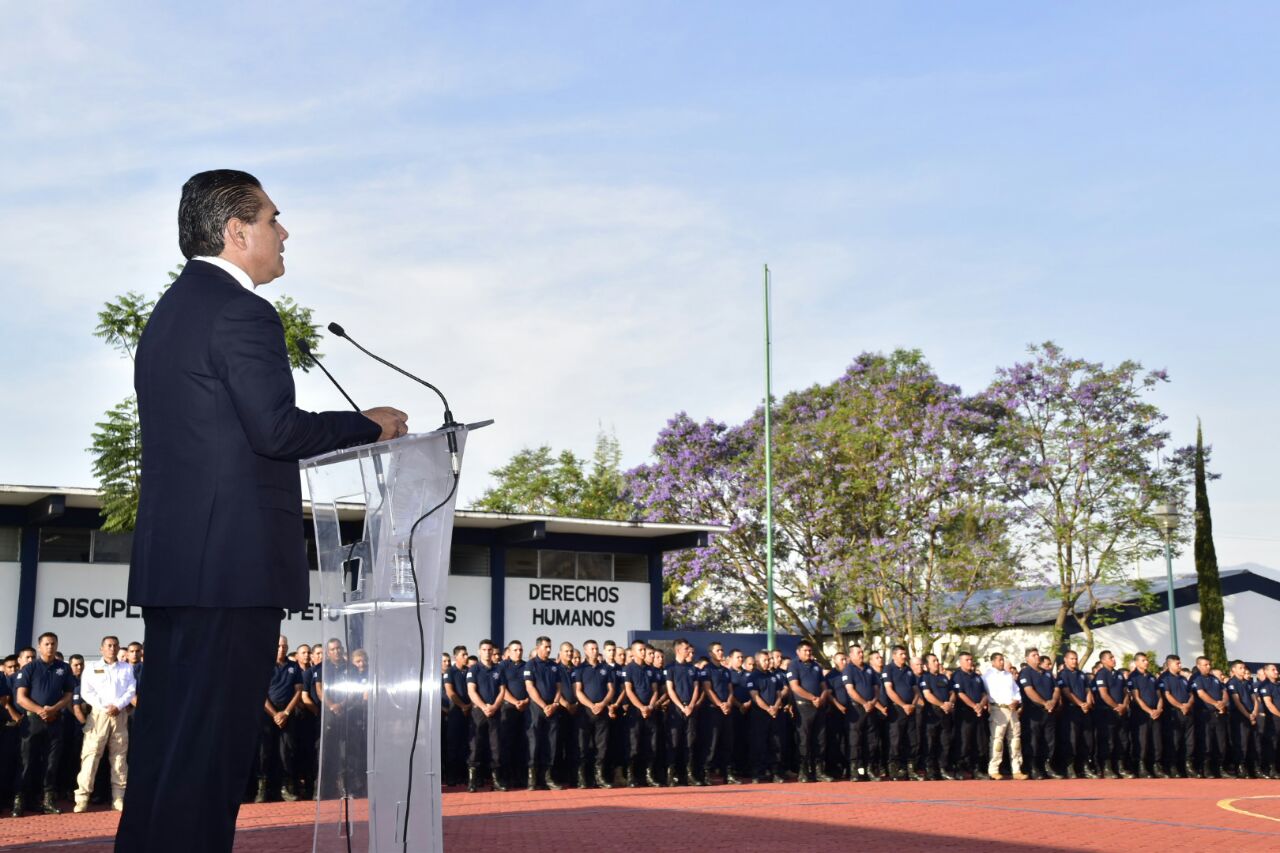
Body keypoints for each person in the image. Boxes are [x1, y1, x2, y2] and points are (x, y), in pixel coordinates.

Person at [117, 169, 405, 853]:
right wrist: (369, 425)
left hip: (178, 570)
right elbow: (274, 430)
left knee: (167, 752)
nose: (285, 232)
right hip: (231, 572)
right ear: (236, 232)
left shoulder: (168, 315)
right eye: (274, 218)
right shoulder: (243, 311)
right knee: (209, 760)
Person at [12, 632, 75, 816]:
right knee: (26, 761)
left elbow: (68, 695)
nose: (50, 647)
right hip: (32, 721)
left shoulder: (64, 668)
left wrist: (54, 709)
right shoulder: (29, 668)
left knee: (51, 762)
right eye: (46, 644)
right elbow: (21, 698)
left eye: (53, 644)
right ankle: (20, 801)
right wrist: (41, 710)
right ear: (39, 646)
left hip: (55, 721)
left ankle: (47, 800)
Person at [74, 636, 136, 812]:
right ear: (101, 649)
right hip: (99, 715)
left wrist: (118, 705)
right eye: (109, 645)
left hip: (120, 715)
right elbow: (87, 692)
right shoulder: (92, 667)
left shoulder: (126, 668)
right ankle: (82, 798)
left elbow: (131, 689)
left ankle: (118, 798)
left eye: (115, 645)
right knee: (91, 756)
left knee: (119, 757)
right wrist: (104, 706)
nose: (112, 648)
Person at [256, 635, 303, 803]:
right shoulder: (263, 666)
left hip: (287, 715)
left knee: (286, 752)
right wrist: (275, 714)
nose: (281, 649)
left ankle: (285, 788)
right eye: (278, 646)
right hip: (267, 715)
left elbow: (298, 691)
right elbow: (259, 693)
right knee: (264, 752)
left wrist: (286, 713)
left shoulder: (294, 666)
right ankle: (262, 789)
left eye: (284, 646)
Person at [465, 639, 507, 792]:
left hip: (494, 712)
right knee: (475, 746)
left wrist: (495, 706)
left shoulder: (499, 669)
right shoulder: (473, 669)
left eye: (490, 650)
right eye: (484, 649)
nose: (487, 652)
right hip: (478, 712)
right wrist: (484, 707)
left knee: (496, 747)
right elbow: (471, 691)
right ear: (479, 651)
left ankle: (496, 781)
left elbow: (502, 690)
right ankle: (472, 781)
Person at [786, 640, 831, 783]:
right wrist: (812, 698)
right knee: (804, 740)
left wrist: (821, 697)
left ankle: (819, 771)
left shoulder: (816, 666)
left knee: (820, 739)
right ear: (798, 652)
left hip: (819, 706)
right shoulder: (793, 665)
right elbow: (794, 687)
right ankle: (803, 771)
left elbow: (824, 686)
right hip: (803, 706)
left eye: (810, 651)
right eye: (805, 650)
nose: (808, 653)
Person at [574, 639, 615, 789]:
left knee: (601, 746)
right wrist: (591, 705)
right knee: (583, 746)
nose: (594, 651)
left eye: (596, 648)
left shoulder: (606, 669)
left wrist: (602, 704)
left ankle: (599, 777)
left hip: (602, 711)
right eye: (591, 648)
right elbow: (578, 691)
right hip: (585, 712)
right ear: (585, 651)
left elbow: (611, 689)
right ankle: (583, 778)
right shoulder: (579, 669)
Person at [525, 636, 564, 790]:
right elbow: (530, 687)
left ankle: (547, 777)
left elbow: (559, 687)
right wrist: (543, 705)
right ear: (538, 647)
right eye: (546, 646)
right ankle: (532, 779)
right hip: (536, 709)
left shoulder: (554, 666)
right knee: (534, 742)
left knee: (551, 743)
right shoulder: (530, 664)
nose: (548, 649)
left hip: (552, 709)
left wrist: (554, 704)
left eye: (550, 646)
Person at [981, 653, 1027, 781]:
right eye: (999, 660)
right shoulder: (987, 676)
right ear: (993, 662)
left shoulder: (1008, 675)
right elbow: (985, 693)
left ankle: (1017, 769)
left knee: (1015, 740)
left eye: (1003, 660)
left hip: (1011, 709)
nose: (1002, 662)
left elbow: (1016, 691)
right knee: (997, 740)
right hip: (998, 709)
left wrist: (1016, 701)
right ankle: (994, 769)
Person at [662, 639, 700, 787]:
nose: (688, 651)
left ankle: (688, 776)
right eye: (685, 649)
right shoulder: (670, 668)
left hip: (690, 709)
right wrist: (681, 706)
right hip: (676, 710)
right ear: (678, 650)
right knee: (674, 742)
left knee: (689, 743)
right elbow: (670, 689)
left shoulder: (692, 669)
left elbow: (696, 688)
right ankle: (671, 776)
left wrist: (690, 705)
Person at [1017, 648, 1060, 779]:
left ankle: (1047, 766)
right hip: (1033, 713)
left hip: (1049, 712)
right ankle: (1033, 767)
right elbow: (1029, 691)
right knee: (1033, 740)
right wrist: (1044, 703)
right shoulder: (1025, 673)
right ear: (1027, 658)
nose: (1037, 657)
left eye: (1038, 654)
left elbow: (1056, 688)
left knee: (1049, 740)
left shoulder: (1047, 673)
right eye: (1033, 655)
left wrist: (1052, 701)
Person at [622, 640, 659, 787]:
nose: (643, 652)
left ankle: (648, 776)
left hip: (650, 711)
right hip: (635, 712)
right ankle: (632, 777)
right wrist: (641, 707)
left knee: (651, 745)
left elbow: (655, 690)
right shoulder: (629, 668)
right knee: (634, 745)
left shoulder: (650, 670)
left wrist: (650, 706)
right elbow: (629, 690)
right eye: (640, 650)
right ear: (634, 652)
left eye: (645, 650)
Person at [699, 642, 736, 784]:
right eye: (718, 650)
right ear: (711, 653)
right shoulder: (706, 669)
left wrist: (727, 703)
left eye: (722, 650)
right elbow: (707, 689)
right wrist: (720, 704)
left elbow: (730, 690)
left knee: (728, 743)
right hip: (712, 710)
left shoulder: (726, 671)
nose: (721, 653)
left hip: (727, 710)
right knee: (711, 743)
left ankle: (728, 773)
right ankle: (706, 773)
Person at [881, 646, 920, 781]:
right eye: (902, 654)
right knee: (895, 740)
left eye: (905, 654)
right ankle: (894, 770)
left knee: (912, 740)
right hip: (897, 710)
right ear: (894, 655)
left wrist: (912, 705)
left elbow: (916, 691)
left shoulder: (909, 670)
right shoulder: (888, 669)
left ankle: (910, 769)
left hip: (910, 709)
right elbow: (889, 690)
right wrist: (903, 705)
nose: (904, 656)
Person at [1056, 650, 1096, 779]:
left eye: (1076, 658)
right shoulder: (1063, 674)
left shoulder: (1082, 674)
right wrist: (1080, 704)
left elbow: (1088, 690)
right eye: (1072, 659)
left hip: (1084, 711)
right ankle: (1070, 766)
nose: (1074, 661)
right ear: (1066, 660)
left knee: (1086, 739)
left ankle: (1084, 766)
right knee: (1071, 740)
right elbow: (1067, 692)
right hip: (1070, 711)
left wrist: (1088, 703)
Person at [842, 645, 879, 782]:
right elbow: (850, 690)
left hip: (870, 709)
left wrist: (873, 702)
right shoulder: (849, 670)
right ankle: (855, 770)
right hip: (856, 709)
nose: (861, 654)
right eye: (858, 653)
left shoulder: (869, 669)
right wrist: (864, 703)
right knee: (855, 741)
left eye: (862, 652)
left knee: (871, 740)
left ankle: (869, 769)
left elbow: (876, 688)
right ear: (851, 655)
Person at [747, 651, 785, 783]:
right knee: (759, 744)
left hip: (774, 714)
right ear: (757, 662)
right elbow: (755, 696)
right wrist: (768, 709)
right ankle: (757, 773)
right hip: (760, 715)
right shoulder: (753, 677)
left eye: (769, 660)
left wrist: (775, 707)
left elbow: (779, 694)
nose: (768, 662)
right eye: (765, 660)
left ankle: (775, 773)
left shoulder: (774, 676)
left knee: (775, 744)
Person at [949, 651, 988, 779]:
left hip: (978, 713)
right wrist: (974, 706)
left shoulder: (976, 677)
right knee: (963, 742)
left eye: (971, 659)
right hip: (964, 713)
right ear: (960, 662)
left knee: (979, 743)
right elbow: (960, 694)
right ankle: (959, 768)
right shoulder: (957, 676)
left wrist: (981, 705)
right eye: (967, 660)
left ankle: (977, 769)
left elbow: (984, 694)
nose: (970, 662)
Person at [1190, 655, 1230, 778]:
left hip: (1219, 714)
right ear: (1198, 666)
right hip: (1204, 715)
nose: (1209, 667)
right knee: (1206, 743)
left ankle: (1220, 768)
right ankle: (1205, 769)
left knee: (1221, 744)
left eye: (1209, 664)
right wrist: (1215, 704)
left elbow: (1224, 692)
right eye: (1205, 665)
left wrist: (1223, 703)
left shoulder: (1214, 678)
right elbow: (1201, 694)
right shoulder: (1196, 678)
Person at [1126, 653, 1164, 778]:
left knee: (1156, 741)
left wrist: (1158, 709)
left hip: (1155, 714)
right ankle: (1141, 766)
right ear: (1136, 663)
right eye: (1143, 660)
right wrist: (1149, 711)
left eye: (1146, 660)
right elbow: (1136, 697)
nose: (1146, 662)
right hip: (1141, 714)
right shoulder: (1133, 677)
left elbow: (1159, 695)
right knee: (1142, 742)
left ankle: (1155, 765)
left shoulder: (1152, 677)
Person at [919, 653, 956, 781]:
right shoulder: (925, 678)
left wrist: (950, 703)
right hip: (932, 714)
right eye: (934, 661)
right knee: (930, 743)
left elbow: (952, 693)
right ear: (926, 665)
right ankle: (930, 770)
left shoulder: (944, 678)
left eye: (937, 660)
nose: (937, 663)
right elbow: (927, 695)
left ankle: (943, 768)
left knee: (944, 742)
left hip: (945, 713)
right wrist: (942, 704)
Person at [499, 640, 530, 789]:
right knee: (507, 744)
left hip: (525, 710)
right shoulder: (503, 666)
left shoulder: (527, 665)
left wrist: (525, 701)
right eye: (515, 650)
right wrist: (515, 702)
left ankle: (521, 778)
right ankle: (506, 777)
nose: (519, 652)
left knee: (522, 745)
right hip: (508, 710)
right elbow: (501, 689)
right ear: (509, 652)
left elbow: (532, 686)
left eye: (520, 650)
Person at [1158, 654, 1195, 778]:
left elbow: (1191, 694)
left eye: (1180, 663)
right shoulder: (1164, 678)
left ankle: (1186, 766)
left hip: (1187, 712)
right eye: (1177, 663)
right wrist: (1181, 706)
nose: (1180, 665)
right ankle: (1172, 767)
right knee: (1174, 741)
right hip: (1173, 713)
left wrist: (1188, 705)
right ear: (1169, 664)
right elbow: (1167, 695)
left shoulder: (1183, 678)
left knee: (1189, 742)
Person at [1226, 659, 1260, 778]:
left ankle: (1253, 768)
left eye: (1244, 667)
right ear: (1233, 670)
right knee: (1241, 743)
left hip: (1251, 716)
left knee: (1253, 743)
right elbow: (1237, 701)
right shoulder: (1231, 683)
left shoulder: (1248, 683)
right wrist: (1248, 715)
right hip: (1239, 717)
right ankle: (1240, 767)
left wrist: (1255, 712)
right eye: (1240, 668)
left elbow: (1254, 699)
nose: (1243, 670)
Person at [1257, 664, 1280, 779]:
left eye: (1276, 669)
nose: (1276, 672)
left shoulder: (1278, 685)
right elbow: (1269, 704)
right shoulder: (1265, 685)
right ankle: (1270, 769)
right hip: (1272, 719)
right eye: (1273, 670)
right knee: (1272, 744)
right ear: (1266, 672)